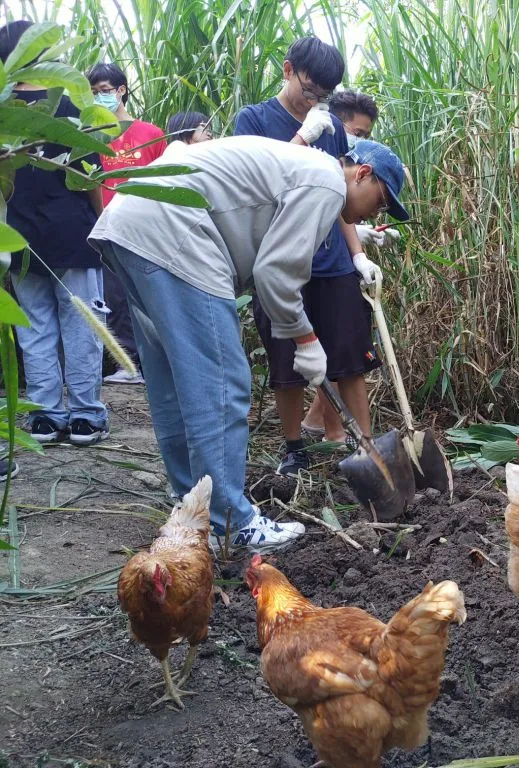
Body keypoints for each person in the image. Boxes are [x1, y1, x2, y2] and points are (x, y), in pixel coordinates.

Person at [88, 135, 410, 553]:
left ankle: (191, 505)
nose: (375, 210)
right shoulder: (327, 183)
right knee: (223, 382)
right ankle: (230, 522)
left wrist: (356, 239)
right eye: (380, 201)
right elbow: (275, 274)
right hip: (178, 237)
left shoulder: (309, 171)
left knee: (172, 378)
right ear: (362, 173)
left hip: (134, 225)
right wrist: (306, 340)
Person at [233, 38, 386, 478]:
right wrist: (303, 137)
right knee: (286, 362)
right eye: (311, 88)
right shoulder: (255, 119)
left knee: (350, 354)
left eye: (325, 93)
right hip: (279, 260)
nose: (316, 100)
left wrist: (356, 252)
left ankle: (367, 447)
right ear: (288, 70)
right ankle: (294, 448)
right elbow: (257, 189)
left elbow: (339, 195)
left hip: (332, 260)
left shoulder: (332, 127)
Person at [0, 21, 109, 448]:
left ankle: (45, 416)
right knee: (83, 324)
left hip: (19, 239)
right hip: (73, 233)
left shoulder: (4, 105)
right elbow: (92, 175)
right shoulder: (73, 102)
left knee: (36, 328)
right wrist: (103, 227)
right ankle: (84, 417)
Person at [300, 89, 399, 442]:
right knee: (333, 358)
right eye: (356, 133)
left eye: (365, 136)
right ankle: (335, 436)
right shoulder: (314, 160)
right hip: (311, 269)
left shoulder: (340, 176)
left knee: (348, 354)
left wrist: (359, 248)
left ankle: (322, 426)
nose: (357, 141)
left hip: (338, 264)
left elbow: (340, 215)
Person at [87, 62, 167, 385]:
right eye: (93, 93)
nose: (99, 97)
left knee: (151, 295)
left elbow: (164, 178)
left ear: (121, 91)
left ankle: (158, 361)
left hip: (146, 228)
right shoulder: (92, 136)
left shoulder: (151, 134)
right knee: (116, 296)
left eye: (105, 91)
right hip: (105, 226)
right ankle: (128, 363)